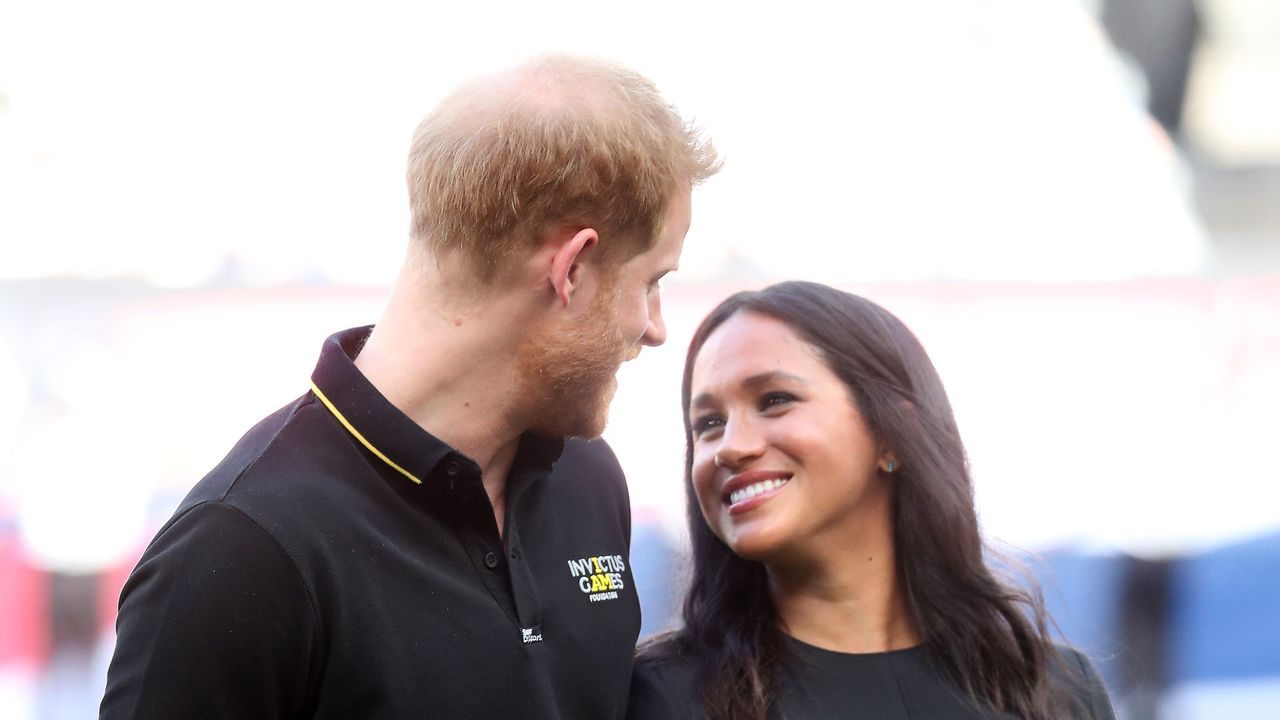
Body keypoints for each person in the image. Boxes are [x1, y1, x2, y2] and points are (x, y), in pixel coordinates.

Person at [99, 54, 718, 719]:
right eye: (652, 280)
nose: (654, 327)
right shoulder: (242, 550)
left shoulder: (586, 478)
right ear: (573, 269)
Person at [627, 282, 1116, 720]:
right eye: (708, 424)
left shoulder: (1054, 690)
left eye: (774, 400)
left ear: (891, 434)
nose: (731, 446)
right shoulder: (666, 698)